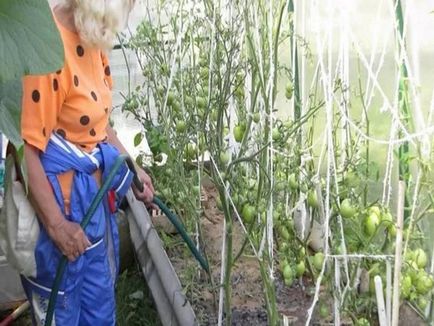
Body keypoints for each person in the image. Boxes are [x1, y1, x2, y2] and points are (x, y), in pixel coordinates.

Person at [19, 0, 154, 324]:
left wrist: (132, 169)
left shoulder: (91, 36)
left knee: (99, 303)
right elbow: (26, 152)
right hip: (60, 207)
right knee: (63, 309)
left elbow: (97, 123)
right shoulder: (48, 52)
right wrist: (58, 226)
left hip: (92, 205)